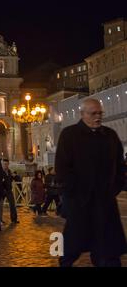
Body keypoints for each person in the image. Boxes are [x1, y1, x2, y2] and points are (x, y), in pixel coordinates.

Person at [56, 98, 127, 267]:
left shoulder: (110, 135)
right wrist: (73, 192)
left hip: (105, 202)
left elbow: (120, 166)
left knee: (107, 248)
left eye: (100, 113)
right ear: (82, 114)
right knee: (72, 245)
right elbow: (62, 168)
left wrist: (113, 189)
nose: (97, 117)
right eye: (93, 113)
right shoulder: (69, 135)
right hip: (79, 201)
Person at [0, 159, 19, 224]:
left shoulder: (10, 171)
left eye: (7, 164)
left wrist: (16, 176)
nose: (6, 165)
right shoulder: (0, 172)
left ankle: (14, 219)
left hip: (9, 190)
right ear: (2, 164)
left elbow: (14, 179)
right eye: (4, 164)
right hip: (1, 191)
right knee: (0, 206)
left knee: (12, 204)